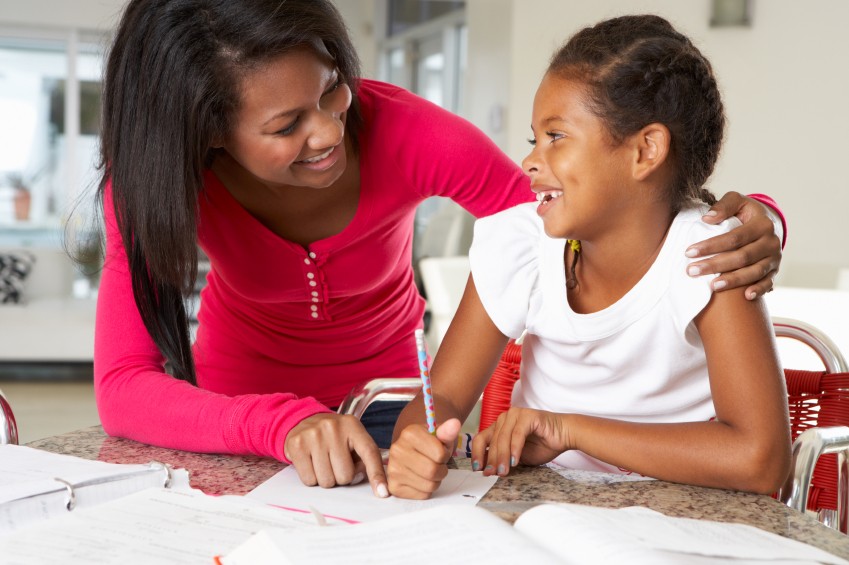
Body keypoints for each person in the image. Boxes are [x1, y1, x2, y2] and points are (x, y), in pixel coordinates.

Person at [95, 0, 784, 499]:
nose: (329, 131)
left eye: (331, 88)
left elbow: (579, 210)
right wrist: (281, 421)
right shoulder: (156, 182)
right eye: (284, 125)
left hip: (394, 406)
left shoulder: (410, 134)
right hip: (242, 416)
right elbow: (123, 385)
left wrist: (756, 219)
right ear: (208, 132)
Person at [388, 14, 791, 499]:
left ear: (646, 151)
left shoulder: (710, 257)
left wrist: (569, 431)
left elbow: (761, 460)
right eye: (534, 139)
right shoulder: (522, 245)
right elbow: (444, 397)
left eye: (556, 137)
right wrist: (414, 441)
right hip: (539, 515)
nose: (530, 162)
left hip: (676, 521)